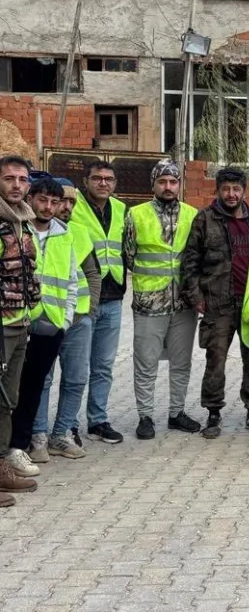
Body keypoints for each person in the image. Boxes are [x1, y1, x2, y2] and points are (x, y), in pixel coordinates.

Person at [180, 167, 249, 439]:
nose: (231, 194)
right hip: (216, 303)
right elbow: (190, 261)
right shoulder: (204, 220)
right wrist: (195, 296)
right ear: (218, 190)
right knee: (215, 360)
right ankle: (213, 413)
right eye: (226, 189)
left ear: (244, 191)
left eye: (236, 189)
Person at [124, 160, 201, 440]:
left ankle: (176, 413)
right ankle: (145, 416)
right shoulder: (136, 215)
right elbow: (129, 255)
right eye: (163, 182)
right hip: (149, 302)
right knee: (146, 363)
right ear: (153, 184)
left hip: (184, 303)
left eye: (173, 182)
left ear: (180, 185)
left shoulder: (194, 215)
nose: (168, 187)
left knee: (181, 362)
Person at [8, 177, 78, 474]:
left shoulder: (65, 234)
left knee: (34, 387)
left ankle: (19, 446)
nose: (48, 207)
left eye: (54, 201)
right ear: (31, 198)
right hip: (19, 319)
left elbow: (72, 280)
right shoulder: (17, 229)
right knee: (11, 388)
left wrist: (66, 319)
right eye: (42, 200)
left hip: (51, 324)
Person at [30, 178, 101, 462]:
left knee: (75, 379)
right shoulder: (26, 230)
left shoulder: (76, 234)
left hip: (76, 318)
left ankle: (61, 434)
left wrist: (88, 312)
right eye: (61, 201)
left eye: (69, 202)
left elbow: (91, 275)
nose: (63, 207)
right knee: (41, 379)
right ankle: (38, 436)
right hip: (40, 318)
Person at [68, 160, 126, 445]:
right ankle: (69, 424)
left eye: (109, 179)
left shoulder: (121, 209)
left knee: (103, 366)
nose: (103, 183)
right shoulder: (73, 208)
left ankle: (98, 420)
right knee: (76, 368)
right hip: (82, 300)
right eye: (97, 178)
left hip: (114, 297)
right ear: (86, 181)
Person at [0, 156, 43, 504]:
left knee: (8, 399)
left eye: (22, 179)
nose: (16, 185)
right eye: (9, 178)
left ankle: (1, 467)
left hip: (19, 322)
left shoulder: (23, 223)